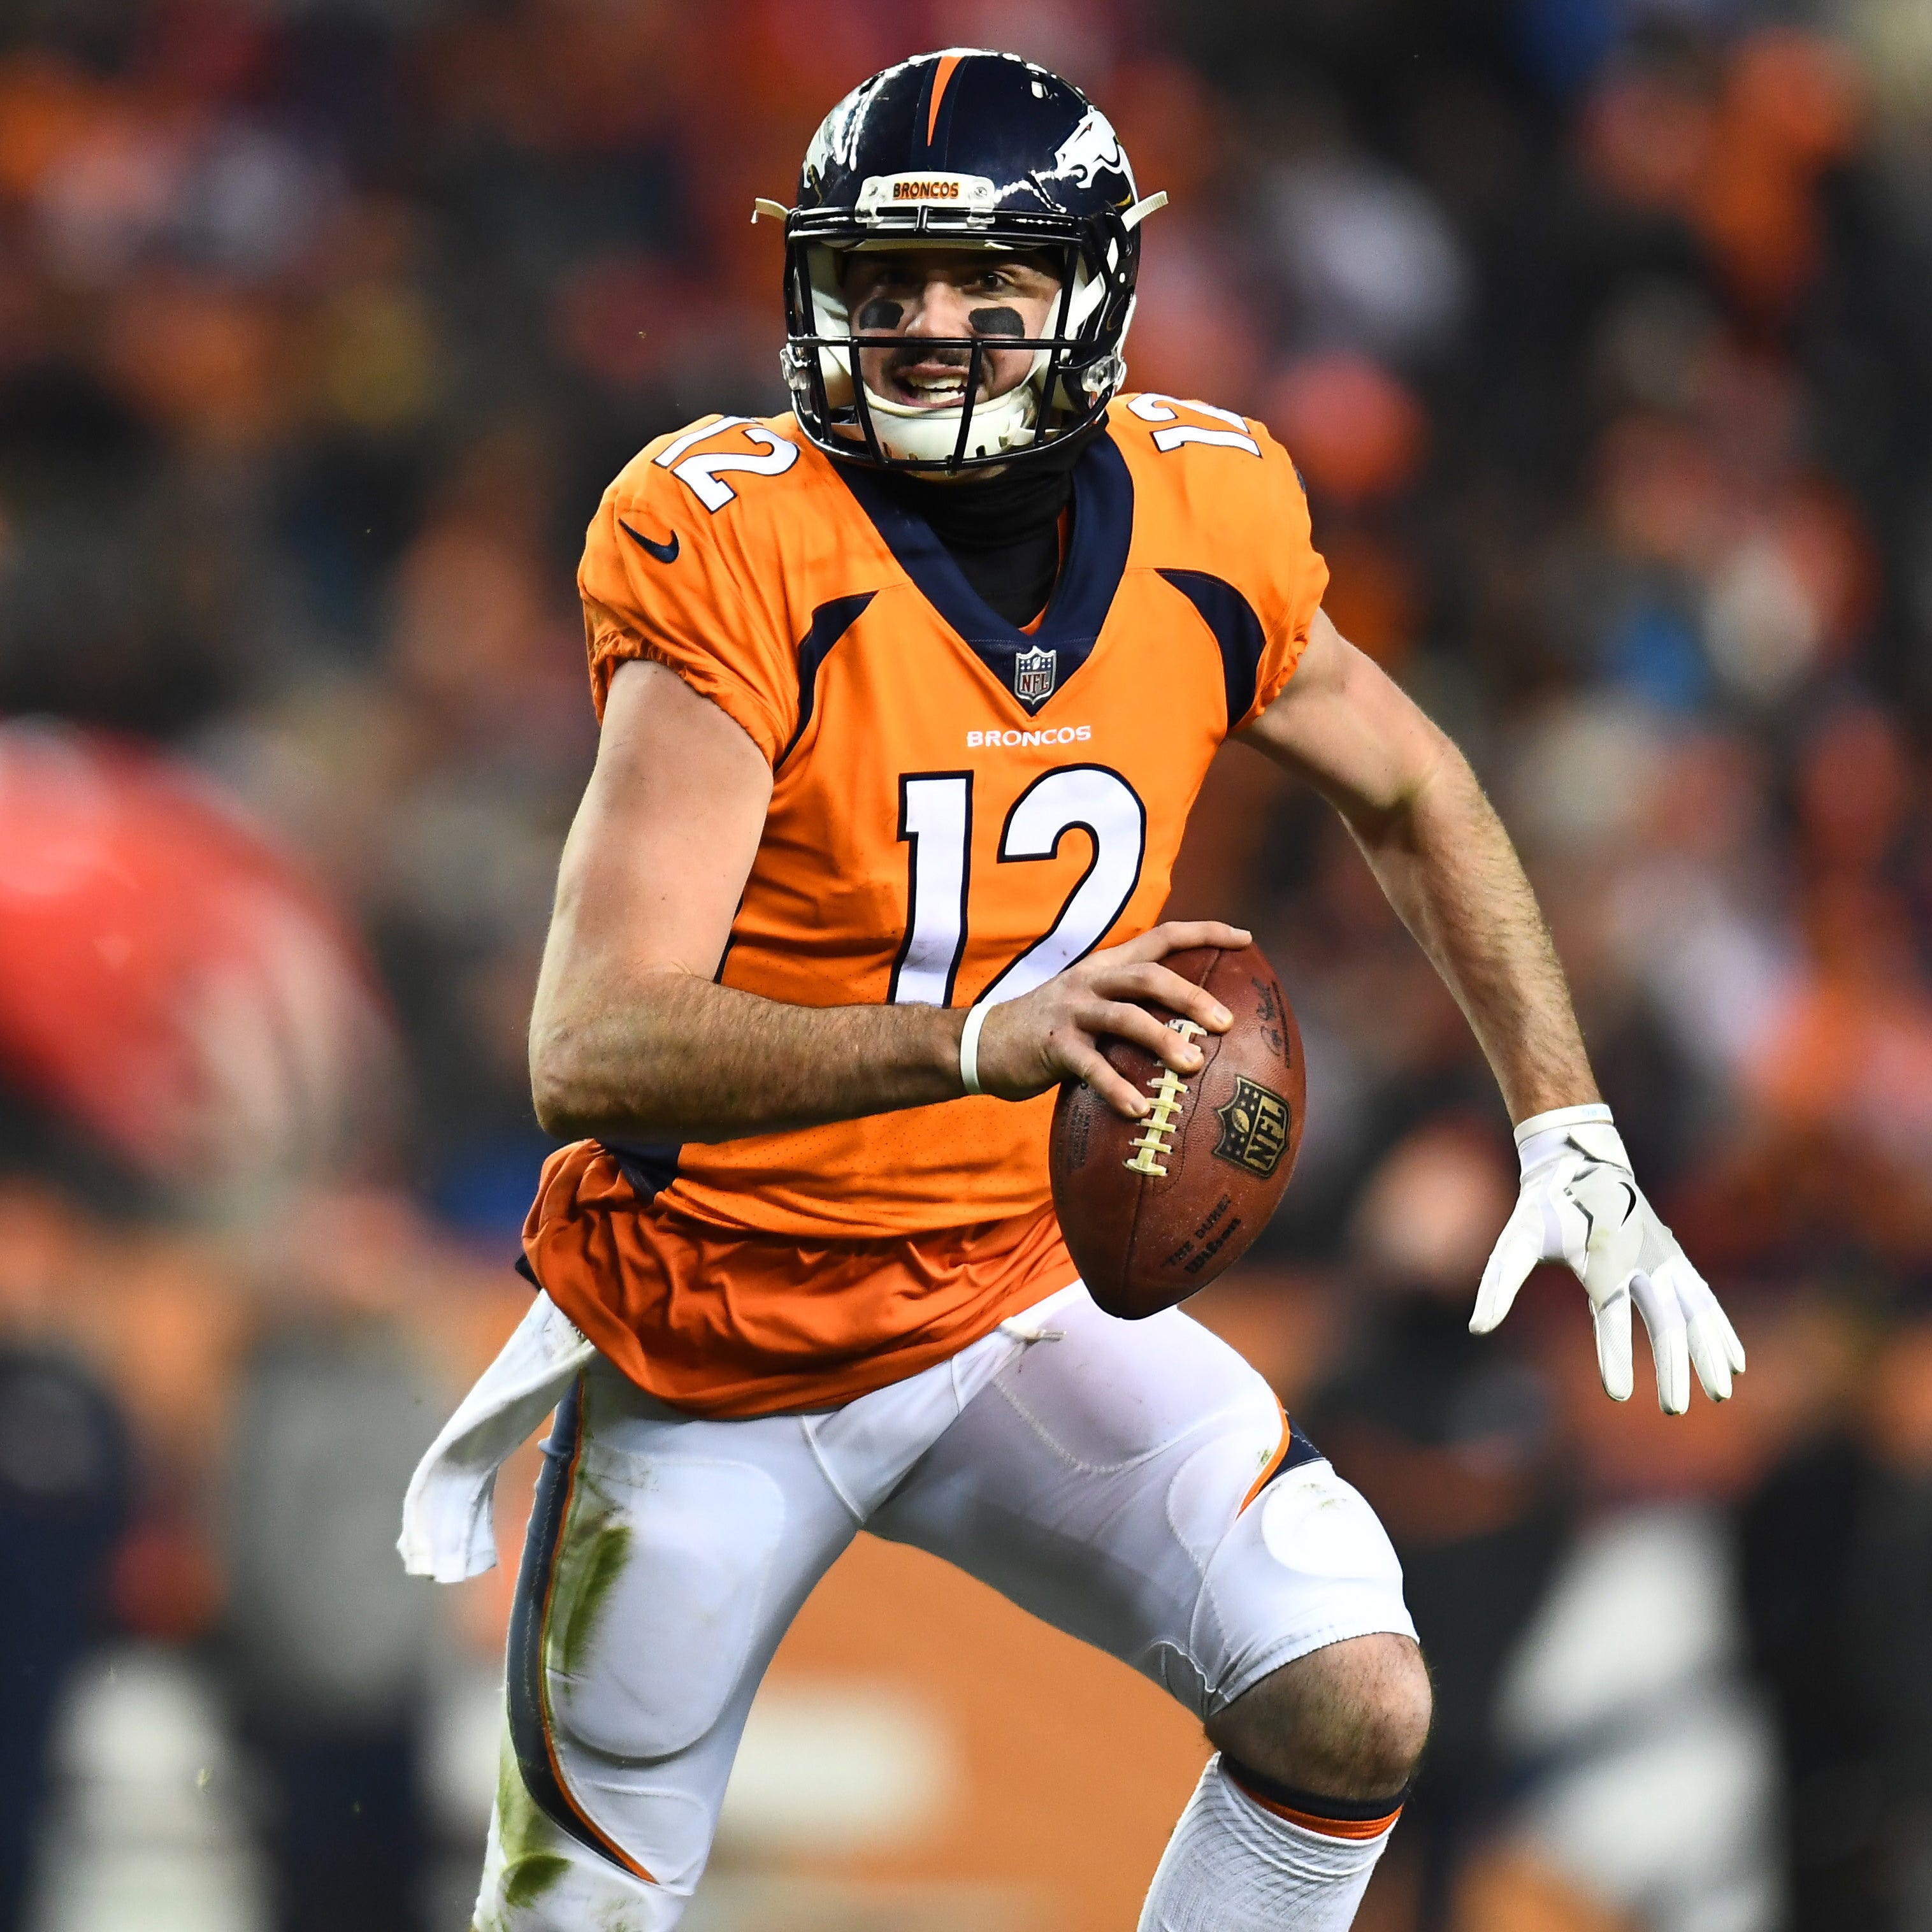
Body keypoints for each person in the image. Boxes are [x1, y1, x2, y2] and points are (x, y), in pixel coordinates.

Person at [398, 48, 1746, 1932]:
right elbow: (589, 1045)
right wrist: (973, 1040)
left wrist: (1567, 1119)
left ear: (1095, 296)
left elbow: (1420, 782)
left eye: (988, 287)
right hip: (717, 1343)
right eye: (883, 286)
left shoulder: (1211, 517)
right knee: (579, 1908)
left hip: (1006, 1301)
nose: (929, 329)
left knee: (1353, 1695)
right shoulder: (742, 542)